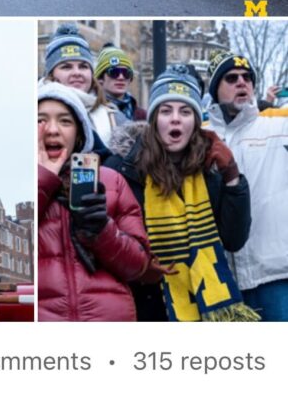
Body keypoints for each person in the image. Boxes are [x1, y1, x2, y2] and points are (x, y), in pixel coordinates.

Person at [106, 65, 253, 321]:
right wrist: (138, 266)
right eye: (166, 111)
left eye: (185, 111)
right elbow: (105, 242)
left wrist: (232, 177)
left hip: (205, 307)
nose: (175, 118)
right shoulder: (122, 169)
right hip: (144, 305)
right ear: (154, 120)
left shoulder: (210, 168)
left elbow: (234, 239)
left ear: (195, 121)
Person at [38, 82, 154, 321]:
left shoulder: (111, 181)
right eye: (40, 120)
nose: (52, 130)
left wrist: (103, 231)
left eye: (65, 121)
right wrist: (44, 180)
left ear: (80, 132)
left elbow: (138, 266)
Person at [206, 50, 288, 320]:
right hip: (223, 284)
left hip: (276, 277)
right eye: (231, 78)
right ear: (216, 88)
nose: (242, 82)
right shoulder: (200, 134)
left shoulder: (278, 123)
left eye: (247, 78)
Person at [42, 24, 122, 154]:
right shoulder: (34, 110)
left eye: (83, 66)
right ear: (52, 74)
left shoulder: (113, 115)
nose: (77, 72)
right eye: (66, 67)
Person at [95, 46, 146, 121]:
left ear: (130, 79)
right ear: (100, 79)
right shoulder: (91, 111)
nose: (121, 77)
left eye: (126, 73)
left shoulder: (143, 116)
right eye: (114, 72)